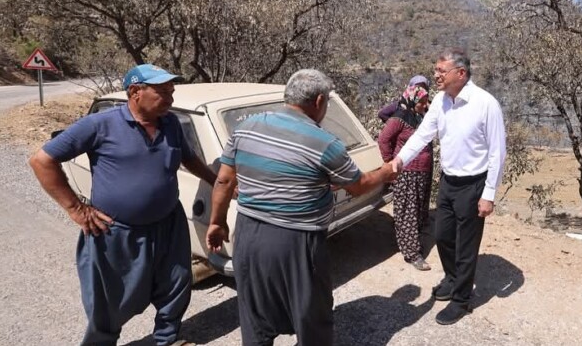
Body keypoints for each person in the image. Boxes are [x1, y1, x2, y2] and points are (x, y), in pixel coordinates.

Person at [28, 64, 217, 346]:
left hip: (168, 224)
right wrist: (76, 208)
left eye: (171, 92)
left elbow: (188, 158)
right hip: (117, 231)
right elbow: (42, 161)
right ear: (135, 92)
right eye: (162, 92)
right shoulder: (100, 125)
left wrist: (217, 181)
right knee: (109, 299)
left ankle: (166, 340)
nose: (170, 99)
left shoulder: (172, 123)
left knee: (176, 286)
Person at [206, 69, 397, 346]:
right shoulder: (325, 142)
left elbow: (224, 179)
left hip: (248, 235)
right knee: (311, 316)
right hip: (296, 241)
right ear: (319, 101)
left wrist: (217, 221)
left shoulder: (246, 127)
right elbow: (358, 185)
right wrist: (386, 172)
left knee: (255, 312)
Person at [393, 47, 506, 325]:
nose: (436, 76)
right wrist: (399, 161)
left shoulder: (485, 103)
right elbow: (423, 134)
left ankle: (462, 299)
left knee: (466, 246)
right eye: (436, 70)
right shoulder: (441, 101)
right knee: (443, 235)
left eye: (441, 71)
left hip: (473, 185)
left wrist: (488, 194)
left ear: (461, 73)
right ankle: (453, 278)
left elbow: (498, 152)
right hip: (448, 181)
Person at [378, 84, 433, 271]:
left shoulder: (420, 116)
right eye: (422, 102)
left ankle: (413, 244)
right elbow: (383, 140)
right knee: (407, 213)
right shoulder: (399, 118)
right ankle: (412, 253)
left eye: (426, 102)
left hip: (422, 172)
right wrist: (390, 162)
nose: (424, 105)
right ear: (412, 100)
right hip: (406, 173)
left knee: (416, 211)